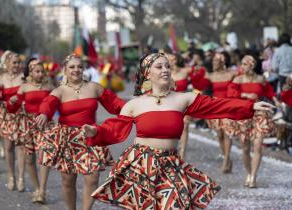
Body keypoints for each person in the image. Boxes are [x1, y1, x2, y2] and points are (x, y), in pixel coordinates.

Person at [82, 52, 274, 209]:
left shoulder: (183, 99)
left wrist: (250, 107)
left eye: (167, 66)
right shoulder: (135, 104)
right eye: (159, 66)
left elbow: (218, 106)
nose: (165, 69)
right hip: (140, 165)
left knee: (175, 205)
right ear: (148, 73)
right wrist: (95, 132)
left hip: (170, 164)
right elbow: (114, 129)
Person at [35, 54, 125, 210]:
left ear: (83, 69)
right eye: (72, 67)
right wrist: (44, 113)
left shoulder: (94, 87)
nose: (76, 70)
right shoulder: (60, 91)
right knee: (68, 180)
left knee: (93, 178)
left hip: (90, 134)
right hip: (68, 139)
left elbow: (116, 104)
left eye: (79, 66)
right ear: (65, 70)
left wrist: (138, 107)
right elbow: (48, 104)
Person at [227, 55, 280, 188]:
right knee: (245, 148)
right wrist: (244, 95)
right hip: (243, 114)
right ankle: (249, 173)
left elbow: (269, 91)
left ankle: (254, 177)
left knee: (257, 146)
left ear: (251, 65)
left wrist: (276, 100)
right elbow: (230, 93)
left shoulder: (261, 79)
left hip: (260, 113)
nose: (242, 67)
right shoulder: (238, 79)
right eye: (242, 64)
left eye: (244, 64)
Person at [7, 58, 54, 203]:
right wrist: (12, 102)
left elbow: (55, 105)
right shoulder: (24, 87)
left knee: (44, 155)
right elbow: (13, 109)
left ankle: (43, 191)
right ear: (31, 73)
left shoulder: (49, 86)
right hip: (27, 125)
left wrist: (47, 115)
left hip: (45, 124)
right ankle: (36, 188)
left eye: (42, 71)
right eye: (37, 71)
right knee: (29, 158)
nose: (40, 74)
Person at [189, 52, 237, 173]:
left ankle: (226, 160)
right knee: (219, 134)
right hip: (215, 107)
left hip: (227, 106)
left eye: (216, 62)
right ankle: (227, 157)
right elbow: (198, 85)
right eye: (213, 62)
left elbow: (240, 81)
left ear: (222, 62)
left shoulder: (231, 74)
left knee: (227, 133)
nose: (214, 64)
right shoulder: (211, 76)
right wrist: (196, 72)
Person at [0, 51, 26, 191]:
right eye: (14, 62)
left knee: (21, 147)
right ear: (7, 64)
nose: (17, 65)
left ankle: (21, 178)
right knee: (8, 147)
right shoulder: (2, 78)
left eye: (19, 62)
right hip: (7, 116)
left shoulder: (24, 78)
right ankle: (11, 176)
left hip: (21, 116)